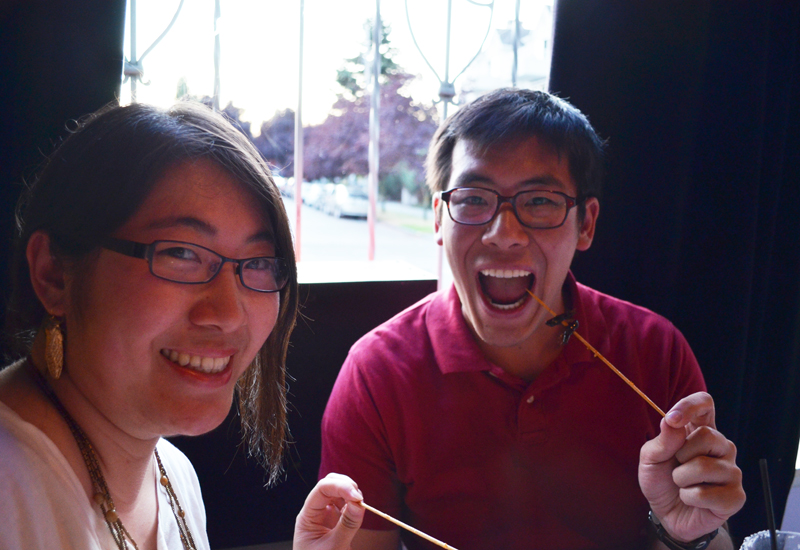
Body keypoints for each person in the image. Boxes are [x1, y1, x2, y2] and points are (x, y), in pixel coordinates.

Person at [319, 88, 746, 550]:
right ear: (440, 219)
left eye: (540, 201)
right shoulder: (376, 372)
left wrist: (686, 533)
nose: (505, 234)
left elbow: (710, 538)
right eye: (474, 198)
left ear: (586, 224)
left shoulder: (655, 351)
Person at [0, 101, 364, 549]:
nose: (228, 313)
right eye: (181, 253)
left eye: (257, 263)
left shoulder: (173, 475)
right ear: (54, 274)